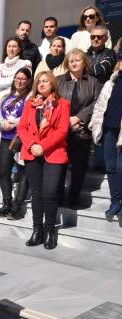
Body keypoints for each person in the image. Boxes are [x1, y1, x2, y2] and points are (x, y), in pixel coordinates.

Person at [17, 71, 70, 250]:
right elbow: (22, 127)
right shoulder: (30, 104)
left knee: (49, 193)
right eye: (39, 82)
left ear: (52, 84)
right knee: (37, 194)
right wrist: (32, 144)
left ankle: (49, 231)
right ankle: (37, 230)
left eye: (45, 81)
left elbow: (62, 131)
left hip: (53, 153)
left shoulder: (63, 104)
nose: (41, 84)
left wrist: (43, 146)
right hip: (32, 152)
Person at [57, 49, 101, 208]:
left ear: (84, 62)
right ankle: (58, 197)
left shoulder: (93, 82)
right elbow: (52, 102)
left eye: (78, 60)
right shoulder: (59, 80)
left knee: (79, 167)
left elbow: (97, 103)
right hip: (60, 131)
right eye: (71, 61)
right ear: (67, 63)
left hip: (82, 131)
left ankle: (74, 198)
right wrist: (65, 120)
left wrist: (78, 118)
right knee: (59, 166)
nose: (74, 63)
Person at [0, 68, 32, 220]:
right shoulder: (6, 96)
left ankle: (18, 206)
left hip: (21, 137)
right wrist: (3, 123)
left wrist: (12, 123)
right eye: (17, 78)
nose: (20, 81)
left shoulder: (30, 97)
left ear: (28, 81)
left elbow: (28, 116)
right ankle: (7, 203)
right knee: (3, 172)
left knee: (23, 172)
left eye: (23, 79)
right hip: (5, 137)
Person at [89, 51, 122, 220]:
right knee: (110, 167)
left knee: (120, 166)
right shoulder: (111, 82)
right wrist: (95, 124)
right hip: (109, 128)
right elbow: (100, 106)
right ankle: (115, 201)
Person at [0, 37, 32, 105]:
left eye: (14, 47)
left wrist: (4, 81)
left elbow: (25, 82)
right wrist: (15, 78)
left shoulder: (26, 63)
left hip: (18, 101)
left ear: (19, 49)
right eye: (9, 46)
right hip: (0, 102)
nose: (11, 49)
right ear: (6, 48)